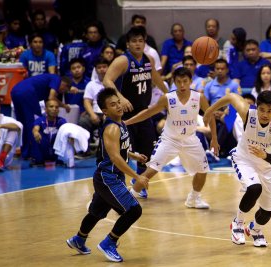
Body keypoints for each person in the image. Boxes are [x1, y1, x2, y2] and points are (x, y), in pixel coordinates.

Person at [66, 88, 149, 262]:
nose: (118, 106)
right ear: (105, 111)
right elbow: (115, 157)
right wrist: (137, 175)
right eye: (113, 105)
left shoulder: (121, 123)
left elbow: (120, 149)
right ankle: (109, 243)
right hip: (108, 178)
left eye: (118, 102)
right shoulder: (112, 128)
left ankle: (78, 239)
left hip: (108, 177)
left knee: (97, 211)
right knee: (133, 210)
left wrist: (133, 155)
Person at [203, 90, 271, 247]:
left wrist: (264, 155)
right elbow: (230, 96)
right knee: (254, 188)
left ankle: (254, 229)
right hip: (244, 159)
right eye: (262, 109)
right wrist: (209, 110)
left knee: (267, 212)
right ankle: (238, 224)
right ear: (256, 107)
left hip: (267, 165)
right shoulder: (248, 113)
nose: (265, 114)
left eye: (270, 111)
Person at [126, 67, 219, 207]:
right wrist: (127, 122)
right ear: (174, 82)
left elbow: (210, 115)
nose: (182, 85)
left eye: (185, 81)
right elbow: (149, 112)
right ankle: (130, 195)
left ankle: (193, 199)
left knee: (203, 170)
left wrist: (214, 138)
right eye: (179, 81)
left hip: (190, 139)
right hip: (169, 140)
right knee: (152, 170)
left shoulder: (199, 97)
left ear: (190, 81)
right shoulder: (167, 98)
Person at [103, 26, 168, 178]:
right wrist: (120, 97)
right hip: (124, 114)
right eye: (134, 41)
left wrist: (169, 94)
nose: (138, 44)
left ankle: (140, 182)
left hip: (144, 112)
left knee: (147, 152)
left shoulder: (149, 60)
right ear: (128, 44)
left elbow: (156, 79)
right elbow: (107, 80)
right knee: (123, 151)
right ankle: (115, 183)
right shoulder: (123, 61)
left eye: (141, 41)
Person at [11, 74, 71, 159]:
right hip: (28, 92)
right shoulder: (57, 79)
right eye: (63, 90)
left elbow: (49, 101)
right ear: (64, 84)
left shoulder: (46, 85)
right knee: (35, 123)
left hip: (15, 91)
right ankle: (35, 153)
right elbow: (51, 98)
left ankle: (25, 152)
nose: (60, 92)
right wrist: (64, 106)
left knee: (23, 124)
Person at [31, 100, 66, 166]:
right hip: (43, 150)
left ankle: (60, 159)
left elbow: (67, 129)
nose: (54, 109)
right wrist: (35, 132)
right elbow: (35, 128)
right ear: (46, 109)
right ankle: (38, 158)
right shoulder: (40, 120)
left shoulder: (61, 121)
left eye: (56, 107)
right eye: (51, 106)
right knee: (35, 135)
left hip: (56, 152)